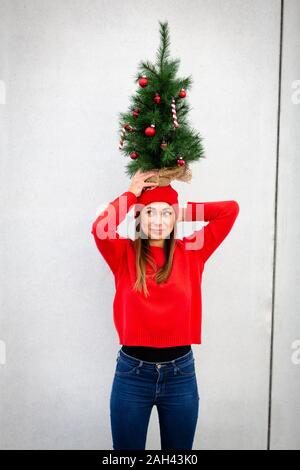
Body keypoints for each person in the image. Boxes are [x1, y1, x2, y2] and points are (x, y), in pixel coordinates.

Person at [91, 169, 239, 450]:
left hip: (180, 375)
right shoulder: (123, 254)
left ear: (175, 217)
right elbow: (100, 228)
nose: (158, 221)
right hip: (132, 375)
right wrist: (131, 194)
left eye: (165, 214)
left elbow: (230, 210)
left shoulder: (193, 251)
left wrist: (177, 211)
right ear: (139, 216)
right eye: (150, 213)